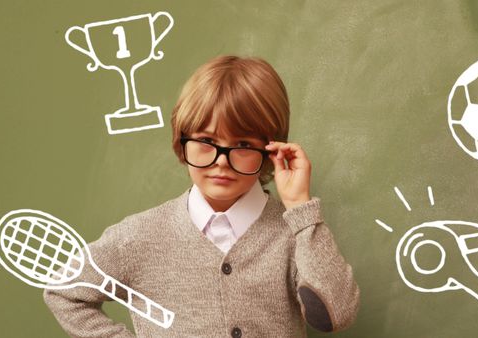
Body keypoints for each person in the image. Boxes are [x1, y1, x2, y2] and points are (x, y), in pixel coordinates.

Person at [43, 55, 360, 337]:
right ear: (182, 142)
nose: (221, 160)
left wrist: (301, 209)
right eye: (206, 140)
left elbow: (339, 314)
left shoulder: (293, 233)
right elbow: (64, 291)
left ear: (270, 149)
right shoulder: (139, 237)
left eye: (244, 144)